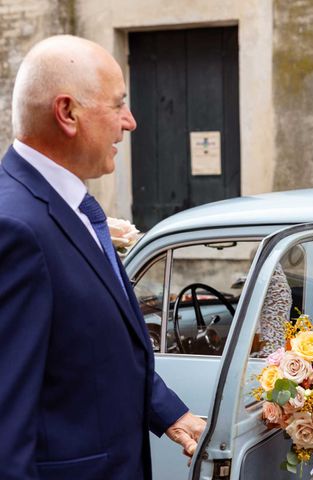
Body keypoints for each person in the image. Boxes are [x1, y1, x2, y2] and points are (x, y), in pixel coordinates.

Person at [0, 35, 206, 480]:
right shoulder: (14, 228)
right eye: (118, 106)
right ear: (68, 113)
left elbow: (95, 350)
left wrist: (167, 412)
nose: (130, 122)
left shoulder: (69, 207)